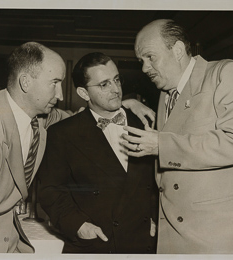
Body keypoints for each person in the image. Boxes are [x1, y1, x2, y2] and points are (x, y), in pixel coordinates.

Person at [0, 42, 154, 253]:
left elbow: (80, 121)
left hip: (12, 239)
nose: (60, 94)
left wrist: (124, 104)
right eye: (55, 83)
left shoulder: (38, 116)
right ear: (26, 82)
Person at [121, 19, 233, 254]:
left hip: (218, 237)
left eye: (150, 57)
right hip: (173, 234)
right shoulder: (166, 95)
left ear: (177, 51)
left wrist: (161, 144)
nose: (144, 68)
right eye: (141, 61)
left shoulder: (227, 74)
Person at [38, 52, 159, 254]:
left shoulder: (147, 122)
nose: (116, 90)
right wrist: (78, 225)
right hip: (95, 244)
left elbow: (164, 181)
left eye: (117, 80)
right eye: (104, 85)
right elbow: (51, 191)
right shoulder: (63, 134)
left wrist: (157, 216)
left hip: (143, 243)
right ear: (84, 94)